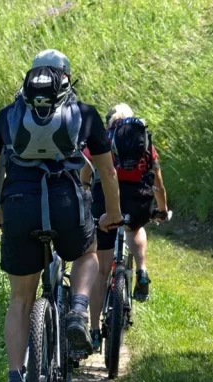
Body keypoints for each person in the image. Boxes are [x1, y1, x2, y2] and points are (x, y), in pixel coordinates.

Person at [0, 50, 122, 382]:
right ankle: (78, 310)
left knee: (20, 300)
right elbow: (107, 174)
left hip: (18, 205)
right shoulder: (86, 114)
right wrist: (111, 213)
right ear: (66, 79)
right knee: (87, 252)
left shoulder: (8, 115)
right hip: (65, 201)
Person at [81, 103, 170, 351]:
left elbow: (84, 174)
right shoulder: (145, 145)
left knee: (101, 273)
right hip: (138, 200)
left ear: (109, 121)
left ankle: (95, 330)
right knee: (135, 228)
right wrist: (161, 210)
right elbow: (158, 185)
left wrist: (86, 195)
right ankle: (141, 270)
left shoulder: (100, 140)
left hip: (105, 205)